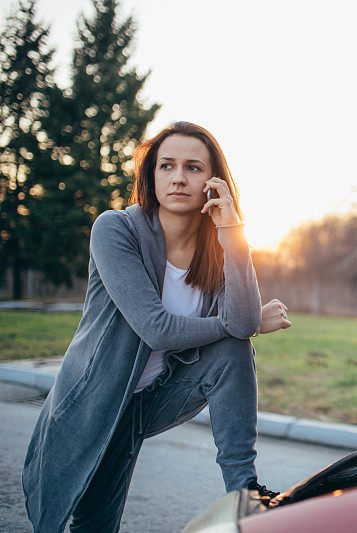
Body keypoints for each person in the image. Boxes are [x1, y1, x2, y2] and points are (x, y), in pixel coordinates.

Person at [22, 121, 290, 532]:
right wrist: (248, 323)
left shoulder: (217, 251)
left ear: (213, 181)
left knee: (233, 349)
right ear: (151, 176)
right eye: (166, 166)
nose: (179, 177)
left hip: (151, 400)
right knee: (92, 524)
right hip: (92, 405)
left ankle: (244, 492)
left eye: (193, 167)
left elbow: (238, 328)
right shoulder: (116, 230)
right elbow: (158, 329)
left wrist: (233, 233)